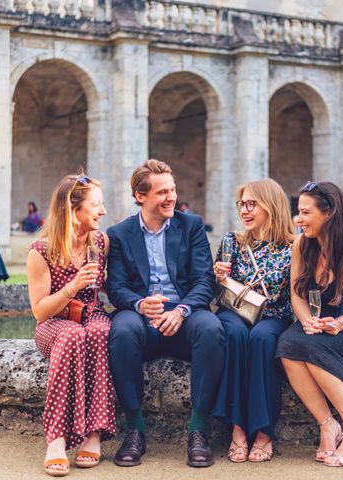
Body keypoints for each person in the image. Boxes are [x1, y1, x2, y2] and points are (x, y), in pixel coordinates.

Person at [106, 159, 224, 468]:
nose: (171, 197)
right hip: (142, 315)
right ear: (140, 196)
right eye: (162, 192)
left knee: (212, 328)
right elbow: (115, 287)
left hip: (183, 313)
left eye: (172, 190)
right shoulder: (119, 233)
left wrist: (182, 310)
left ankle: (198, 431)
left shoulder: (192, 225)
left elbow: (204, 280)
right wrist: (139, 304)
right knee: (121, 330)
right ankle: (134, 430)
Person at [276, 181, 343, 468]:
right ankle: (327, 425)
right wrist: (308, 320)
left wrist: (342, 323)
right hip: (317, 321)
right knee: (286, 344)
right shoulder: (301, 244)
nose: (299, 220)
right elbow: (297, 294)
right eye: (298, 212)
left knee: (308, 346)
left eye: (306, 213)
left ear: (329, 212)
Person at [26, 174, 116, 476]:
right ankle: (57, 439)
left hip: (92, 315)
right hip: (55, 322)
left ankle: (94, 433)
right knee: (72, 335)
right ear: (72, 209)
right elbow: (39, 312)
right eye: (96, 205)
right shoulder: (42, 251)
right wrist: (73, 286)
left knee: (101, 330)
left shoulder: (100, 242)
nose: (102, 211)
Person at [212, 179, 294, 463]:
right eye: (242, 205)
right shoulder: (231, 240)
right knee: (234, 335)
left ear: (271, 207)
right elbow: (216, 292)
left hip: (274, 315)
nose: (244, 211)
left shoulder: (292, 247)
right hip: (234, 312)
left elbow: (295, 295)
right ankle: (237, 429)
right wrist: (218, 276)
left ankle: (263, 431)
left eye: (251, 205)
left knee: (261, 338)